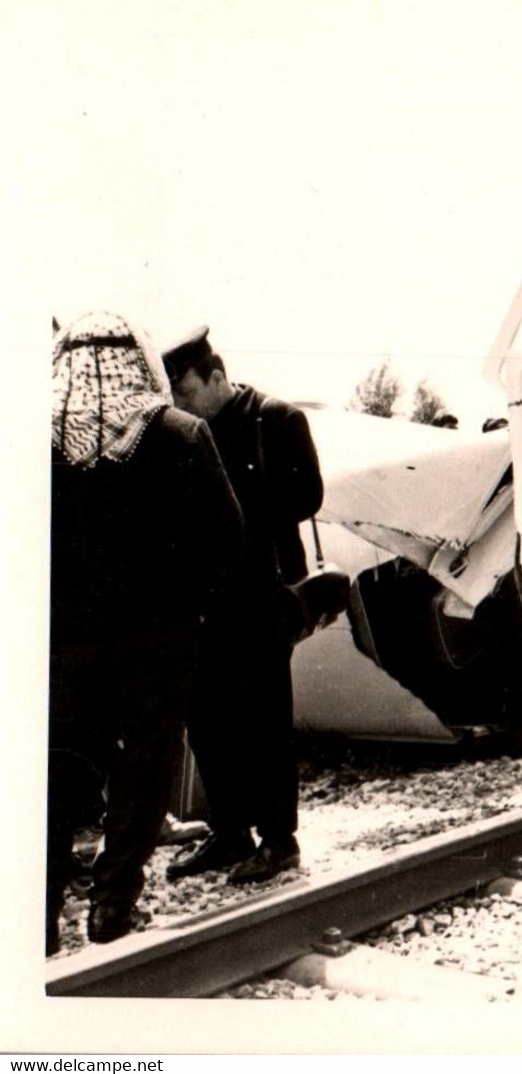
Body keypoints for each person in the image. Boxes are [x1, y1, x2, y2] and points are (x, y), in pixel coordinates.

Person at [48, 312, 249, 951]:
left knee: (58, 771)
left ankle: (37, 913)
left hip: (66, 644)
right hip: (159, 638)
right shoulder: (180, 433)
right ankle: (112, 906)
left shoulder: (35, 441)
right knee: (144, 764)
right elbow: (228, 540)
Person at [161, 327, 328, 885]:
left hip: (263, 594)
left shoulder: (276, 420)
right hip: (206, 598)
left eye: (185, 391)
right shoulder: (185, 434)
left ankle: (279, 841)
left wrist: (233, 506)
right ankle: (230, 832)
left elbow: (308, 497)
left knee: (264, 716)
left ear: (215, 376)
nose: (180, 404)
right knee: (206, 715)